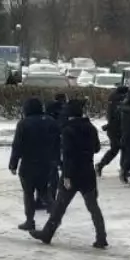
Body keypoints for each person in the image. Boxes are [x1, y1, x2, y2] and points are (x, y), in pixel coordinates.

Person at [31, 99, 108, 249]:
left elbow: (67, 155)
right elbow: (97, 148)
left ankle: (47, 233)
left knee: (60, 206)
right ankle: (101, 236)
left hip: (72, 174)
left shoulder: (67, 130)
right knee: (93, 207)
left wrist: (66, 175)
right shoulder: (90, 128)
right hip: (88, 172)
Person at [8, 97, 61, 233]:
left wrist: (13, 164)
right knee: (44, 191)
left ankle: (30, 221)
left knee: (28, 193)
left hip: (29, 163)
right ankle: (56, 215)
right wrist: (57, 160)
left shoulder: (24, 124)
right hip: (47, 163)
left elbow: (17, 145)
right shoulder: (51, 121)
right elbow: (58, 143)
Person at [95, 85, 128, 177]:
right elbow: (118, 117)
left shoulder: (113, 100)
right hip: (117, 129)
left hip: (113, 129)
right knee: (121, 148)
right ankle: (123, 169)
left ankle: (101, 165)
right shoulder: (119, 102)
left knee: (116, 149)